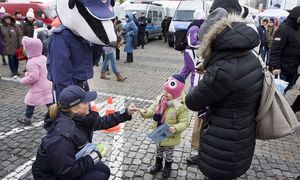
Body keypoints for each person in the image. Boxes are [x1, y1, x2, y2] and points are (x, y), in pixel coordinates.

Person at [185, 9, 263, 180]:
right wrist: (208, 67)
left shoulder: (222, 72)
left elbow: (191, 101)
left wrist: (203, 78)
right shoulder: (250, 55)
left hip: (222, 143)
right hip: (241, 134)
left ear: (211, 41)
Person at [32, 85, 138, 180]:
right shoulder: (61, 135)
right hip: (52, 175)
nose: (89, 104)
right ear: (74, 109)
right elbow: (67, 172)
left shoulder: (81, 117)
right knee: (100, 177)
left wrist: (125, 113)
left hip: (72, 160)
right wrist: (95, 156)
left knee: (104, 170)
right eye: (85, 102)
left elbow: (102, 122)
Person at [47, 0, 117, 99]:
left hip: (83, 85)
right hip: (68, 89)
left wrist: (99, 43)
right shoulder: (61, 36)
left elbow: (91, 61)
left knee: (86, 113)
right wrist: (72, 101)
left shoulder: (84, 33)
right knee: (73, 114)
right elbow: (60, 76)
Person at [140, 74, 189, 178]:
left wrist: (175, 128)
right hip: (159, 131)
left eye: (169, 92)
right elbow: (152, 110)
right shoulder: (160, 99)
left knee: (169, 152)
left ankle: (167, 166)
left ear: (176, 93)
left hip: (170, 134)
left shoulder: (180, 106)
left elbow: (185, 122)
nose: (165, 94)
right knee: (159, 150)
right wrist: (145, 112)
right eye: (164, 90)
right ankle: (158, 164)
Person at [16, 36, 53, 125]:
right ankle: (54, 116)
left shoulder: (31, 62)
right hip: (47, 83)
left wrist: (22, 80)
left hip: (38, 86)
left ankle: (27, 118)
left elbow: (33, 77)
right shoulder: (43, 57)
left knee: (30, 101)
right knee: (49, 101)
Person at [269, 6, 300, 94]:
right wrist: (275, 66)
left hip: (293, 70)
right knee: (277, 94)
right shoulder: (283, 29)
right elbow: (275, 50)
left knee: (285, 91)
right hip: (282, 71)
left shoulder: (298, 30)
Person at [180, 10, 205, 88]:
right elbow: (191, 42)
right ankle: (193, 90)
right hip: (191, 52)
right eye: (204, 17)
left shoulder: (195, 26)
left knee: (186, 70)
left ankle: (175, 84)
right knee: (196, 70)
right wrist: (203, 44)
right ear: (200, 18)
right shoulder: (195, 27)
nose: (205, 19)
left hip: (190, 51)